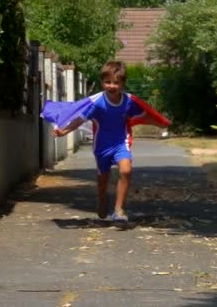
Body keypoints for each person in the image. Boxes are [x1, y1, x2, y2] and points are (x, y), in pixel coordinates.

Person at [50, 61, 169, 221]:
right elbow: (79, 119)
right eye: (107, 82)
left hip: (121, 143)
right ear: (102, 82)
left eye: (116, 82)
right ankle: (102, 199)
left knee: (126, 171)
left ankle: (119, 210)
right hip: (102, 146)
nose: (111, 86)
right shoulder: (97, 103)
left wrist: (160, 123)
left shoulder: (128, 101)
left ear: (123, 84)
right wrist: (63, 131)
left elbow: (144, 115)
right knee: (102, 181)